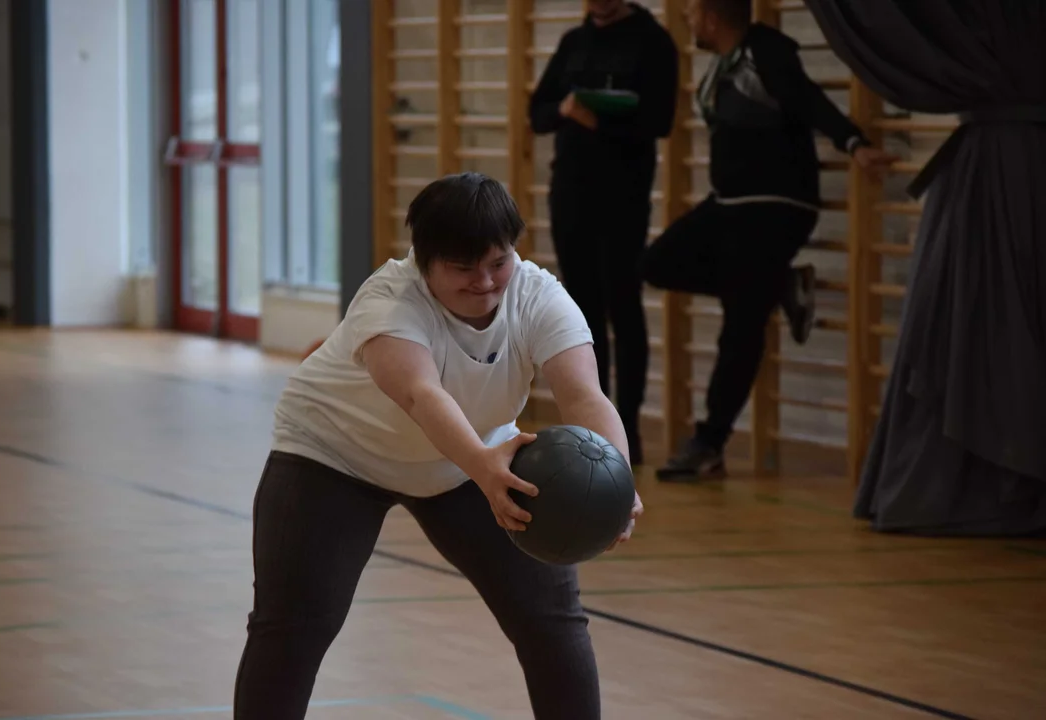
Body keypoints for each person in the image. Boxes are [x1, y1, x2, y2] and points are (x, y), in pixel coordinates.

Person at [232, 172, 644, 720]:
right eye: (462, 267)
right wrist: (484, 469)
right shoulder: (389, 301)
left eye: (498, 262)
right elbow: (422, 395)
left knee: (550, 620)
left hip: (471, 463)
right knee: (294, 626)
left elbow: (585, 398)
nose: (485, 281)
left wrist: (617, 479)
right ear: (423, 262)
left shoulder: (539, 296)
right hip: (332, 456)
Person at [643, 0, 897, 481]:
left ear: (713, 17)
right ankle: (776, 285)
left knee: (742, 322)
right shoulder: (725, 62)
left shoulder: (766, 52)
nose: (689, 22)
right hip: (732, 204)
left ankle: (709, 443)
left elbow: (808, 100)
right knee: (658, 262)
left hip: (776, 206)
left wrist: (854, 144)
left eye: (693, 14)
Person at [528, 0, 679, 466]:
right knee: (582, 314)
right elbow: (538, 111)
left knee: (623, 304)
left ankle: (626, 428)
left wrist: (601, 121)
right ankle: (593, 427)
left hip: (624, 197)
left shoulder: (653, 41)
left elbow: (659, 121)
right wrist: (567, 107)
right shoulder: (575, 41)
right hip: (572, 191)